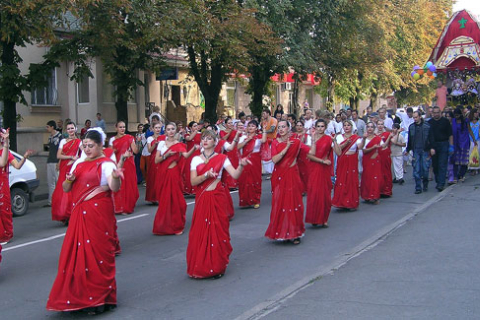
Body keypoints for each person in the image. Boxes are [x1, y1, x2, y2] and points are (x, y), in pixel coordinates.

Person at [46, 128, 123, 314]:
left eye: (91, 146)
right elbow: (65, 189)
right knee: (77, 255)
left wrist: (115, 177)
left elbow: (114, 187)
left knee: (98, 255)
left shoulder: (106, 164)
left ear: (100, 146)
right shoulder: (78, 164)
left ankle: (101, 298)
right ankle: (79, 296)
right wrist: (69, 180)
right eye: (85, 145)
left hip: (99, 215)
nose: (87, 149)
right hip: (79, 214)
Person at [186, 130, 248, 279]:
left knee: (217, 230)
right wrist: (206, 175)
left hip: (217, 198)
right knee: (200, 232)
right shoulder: (195, 160)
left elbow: (234, 175)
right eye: (203, 138)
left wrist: (241, 165)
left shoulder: (222, 158)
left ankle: (217, 266)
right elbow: (193, 181)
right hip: (202, 198)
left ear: (215, 142)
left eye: (209, 138)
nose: (206, 141)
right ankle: (200, 265)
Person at [153, 123, 198, 235]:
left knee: (177, 200)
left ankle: (177, 225)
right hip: (163, 174)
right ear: (166, 131)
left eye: (173, 129)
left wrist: (194, 149)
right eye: (168, 129)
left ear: (175, 130)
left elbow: (186, 156)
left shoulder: (179, 144)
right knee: (165, 200)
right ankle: (163, 226)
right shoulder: (162, 143)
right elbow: (156, 160)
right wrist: (167, 155)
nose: (171, 131)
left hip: (174, 174)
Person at [264, 120, 305, 245]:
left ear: (289, 128)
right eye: (279, 127)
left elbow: (299, 156)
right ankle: (281, 231)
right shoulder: (275, 142)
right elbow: (275, 160)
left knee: (293, 203)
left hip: (292, 175)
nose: (281, 129)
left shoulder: (296, 142)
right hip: (279, 176)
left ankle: (295, 233)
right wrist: (286, 147)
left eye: (283, 127)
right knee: (280, 203)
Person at [0, 129, 32, 244]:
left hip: (3, 185)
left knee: (4, 210)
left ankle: (5, 234)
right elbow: (1, 163)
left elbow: (17, 166)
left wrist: (24, 157)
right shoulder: (5, 151)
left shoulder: (6, 152)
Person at [306, 119, 335, 227]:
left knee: (325, 193)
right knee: (314, 193)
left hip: (325, 169)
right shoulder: (311, 138)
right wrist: (322, 161)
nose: (320, 128)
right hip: (314, 167)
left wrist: (335, 141)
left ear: (325, 127)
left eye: (322, 126)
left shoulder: (328, 139)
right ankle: (314, 218)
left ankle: (324, 218)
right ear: (315, 127)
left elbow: (339, 152)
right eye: (318, 126)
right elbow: (309, 155)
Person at [51, 122, 81, 223]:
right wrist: (71, 157)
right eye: (68, 129)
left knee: (72, 190)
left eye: (72, 128)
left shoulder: (79, 142)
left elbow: (84, 154)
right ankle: (64, 214)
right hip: (64, 167)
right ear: (66, 130)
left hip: (73, 167)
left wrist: (75, 160)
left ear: (75, 129)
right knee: (62, 190)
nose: (70, 130)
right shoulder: (63, 141)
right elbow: (59, 155)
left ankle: (72, 213)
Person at [332, 120, 364, 210]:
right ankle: (340, 202)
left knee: (351, 180)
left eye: (348, 125)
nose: (346, 127)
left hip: (352, 161)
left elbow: (360, 147)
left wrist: (364, 139)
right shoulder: (339, 137)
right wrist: (346, 143)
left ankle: (351, 202)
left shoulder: (356, 138)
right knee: (341, 180)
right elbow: (337, 150)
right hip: (342, 160)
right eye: (345, 125)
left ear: (352, 127)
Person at [109, 120, 139, 214]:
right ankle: (119, 207)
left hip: (128, 164)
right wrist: (115, 150)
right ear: (116, 128)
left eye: (124, 127)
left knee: (128, 185)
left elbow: (135, 151)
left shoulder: (129, 137)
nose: (122, 129)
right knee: (119, 185)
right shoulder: (112, 139)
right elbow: (109, 153)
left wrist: (137, 142)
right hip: (117, 163)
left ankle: (127, 206)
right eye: (120, 127)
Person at [406, 111, 435, 194]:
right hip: (416, 150)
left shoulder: (427, 126)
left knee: (425, 168)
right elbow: (410, 139)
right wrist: (408, 149)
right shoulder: (411, 127)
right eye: (413, 117)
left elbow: (431, 137)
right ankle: (418, 187)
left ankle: (425, 183)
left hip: (425, 150)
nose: (415, 119)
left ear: (420, 117)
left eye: (416, 117)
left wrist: (432, 148)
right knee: (416, 169)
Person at [237, 120, 263, 209]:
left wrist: (265, 131)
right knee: (244, 180)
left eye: (253, 126)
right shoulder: (243, 137)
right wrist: (246, 141)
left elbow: (264, 141)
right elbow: (237, 147)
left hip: (255, 161)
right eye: (249, 126)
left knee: (255, 179)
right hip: (245, 160)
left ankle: (256, 200)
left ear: (256, 128)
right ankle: (245, 201)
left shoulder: (259, 137)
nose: (250, 128)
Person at [428, 106, 453, 191]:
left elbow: (450, 134)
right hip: (434, 145)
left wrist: (451, 146)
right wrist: (430, 147)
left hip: (444, 144)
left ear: (440, 113)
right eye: (434, 112)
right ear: (432, 113)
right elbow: (428, 137)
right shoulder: (430, 123)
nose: (436, 114)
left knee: (442, 164)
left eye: (437, 112)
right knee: (435, 165)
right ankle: (438, 180)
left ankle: (441, 184)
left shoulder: (445, 121)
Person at [451, 107, 476, 183]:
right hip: (456, 143)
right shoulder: (453, 121)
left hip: (464, 142)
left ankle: (461, 175)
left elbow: (469, 130)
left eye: (458, 115)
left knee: (464, 161)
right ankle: (455, 176)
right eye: (455, 115)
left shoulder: (465, 121)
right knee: (455, 160)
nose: (456, 117)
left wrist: (474, 139)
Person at [360, 122, 383, 204]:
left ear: (374, 128)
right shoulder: (364, 139)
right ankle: (367, 196)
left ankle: (375, 196)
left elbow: (383, 147)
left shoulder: (378, 139)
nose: (370, 129)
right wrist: (373, 147)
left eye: (371, 127)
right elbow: (363, 149)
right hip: (367, 160)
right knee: (367, 178)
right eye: (368, 127)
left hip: (376, 161)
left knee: (376, 178)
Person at [45, 120, 63, 207]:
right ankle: (51, 201)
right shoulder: (50, 137)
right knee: (50, 182)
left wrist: (59, 162)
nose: (47, 129)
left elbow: (62, 151)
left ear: (52, 127)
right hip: (50, 161)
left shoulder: (60, 137)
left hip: (56, 161)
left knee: (58, 181)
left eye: (48, 127)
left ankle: (61, 200)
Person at [145, 122, 164, 203]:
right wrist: (155, 144)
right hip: (153, 159)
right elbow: (149, 150)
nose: (157, 129)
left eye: (159, 128)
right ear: (152, 129)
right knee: (154, 177)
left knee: (161, 178)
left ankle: (161, 196)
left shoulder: (163, 138)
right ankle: (153, 197)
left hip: (162, 158)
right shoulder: (150, 138)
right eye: (156, 128)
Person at [220, 117, 239, 189]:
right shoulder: (222, 131)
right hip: (227, 150)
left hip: (235, 150)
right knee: (228, 166)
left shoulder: (236, 131)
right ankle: (228, 183)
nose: (231, 124)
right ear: (225, 124)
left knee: (235, 165)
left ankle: (235, 183)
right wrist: (230, 131)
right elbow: (224, 139)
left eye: (231, 123)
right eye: (229, 123)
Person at [293, 120, 311, 194]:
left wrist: (303, 137)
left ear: (303, 127)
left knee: (305, 173)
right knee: (296, 173)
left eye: (300, 126)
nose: (299, 127)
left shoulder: (307, 136)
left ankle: (305, 189)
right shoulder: (292, 135)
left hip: (304, 156)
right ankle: (299, 189)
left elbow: (308, 146)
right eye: (297, 125)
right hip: (294, 156)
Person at [183, 121, 202, 194]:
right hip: (190, 155)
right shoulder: (187, 134)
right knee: (189, 172)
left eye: (197, 125)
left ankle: (197, 188)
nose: (196, 127)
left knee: (198, 171)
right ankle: (189, 188)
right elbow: (190, 139)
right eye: (194, 126)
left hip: (198, 154)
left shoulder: (200, 134)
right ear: (190, 128)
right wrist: (195, 131)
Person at [377, 120, 393, 197]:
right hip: (378, 155)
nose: (380, 126)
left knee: (386, 172)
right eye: (378, 124)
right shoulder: (374, 135)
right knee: (378, 173)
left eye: (381, 124)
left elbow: (392, 142)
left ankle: (387, 190)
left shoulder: (387, 134)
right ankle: (379, 190)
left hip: (385, 155)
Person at [260, 109, 277, 179]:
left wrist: (264, 132)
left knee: (272, 157)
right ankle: (270, 172)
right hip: (266, 141)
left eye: (264, 114)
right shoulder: (264, 122)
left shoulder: (273, 120)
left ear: (268, 113)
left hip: (273, 140)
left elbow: (272, 129)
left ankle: (273, 172)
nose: (263, 115)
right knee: (268, 157)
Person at [468, 108, 480, 175]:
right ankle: (472, 169)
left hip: (478, 140)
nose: (477, 114)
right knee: (471, 154)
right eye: (475, 112)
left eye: (477, 112)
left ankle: (477, 168)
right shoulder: (469, 122)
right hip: (471, 141)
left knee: (478, 154)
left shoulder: (479, 122)